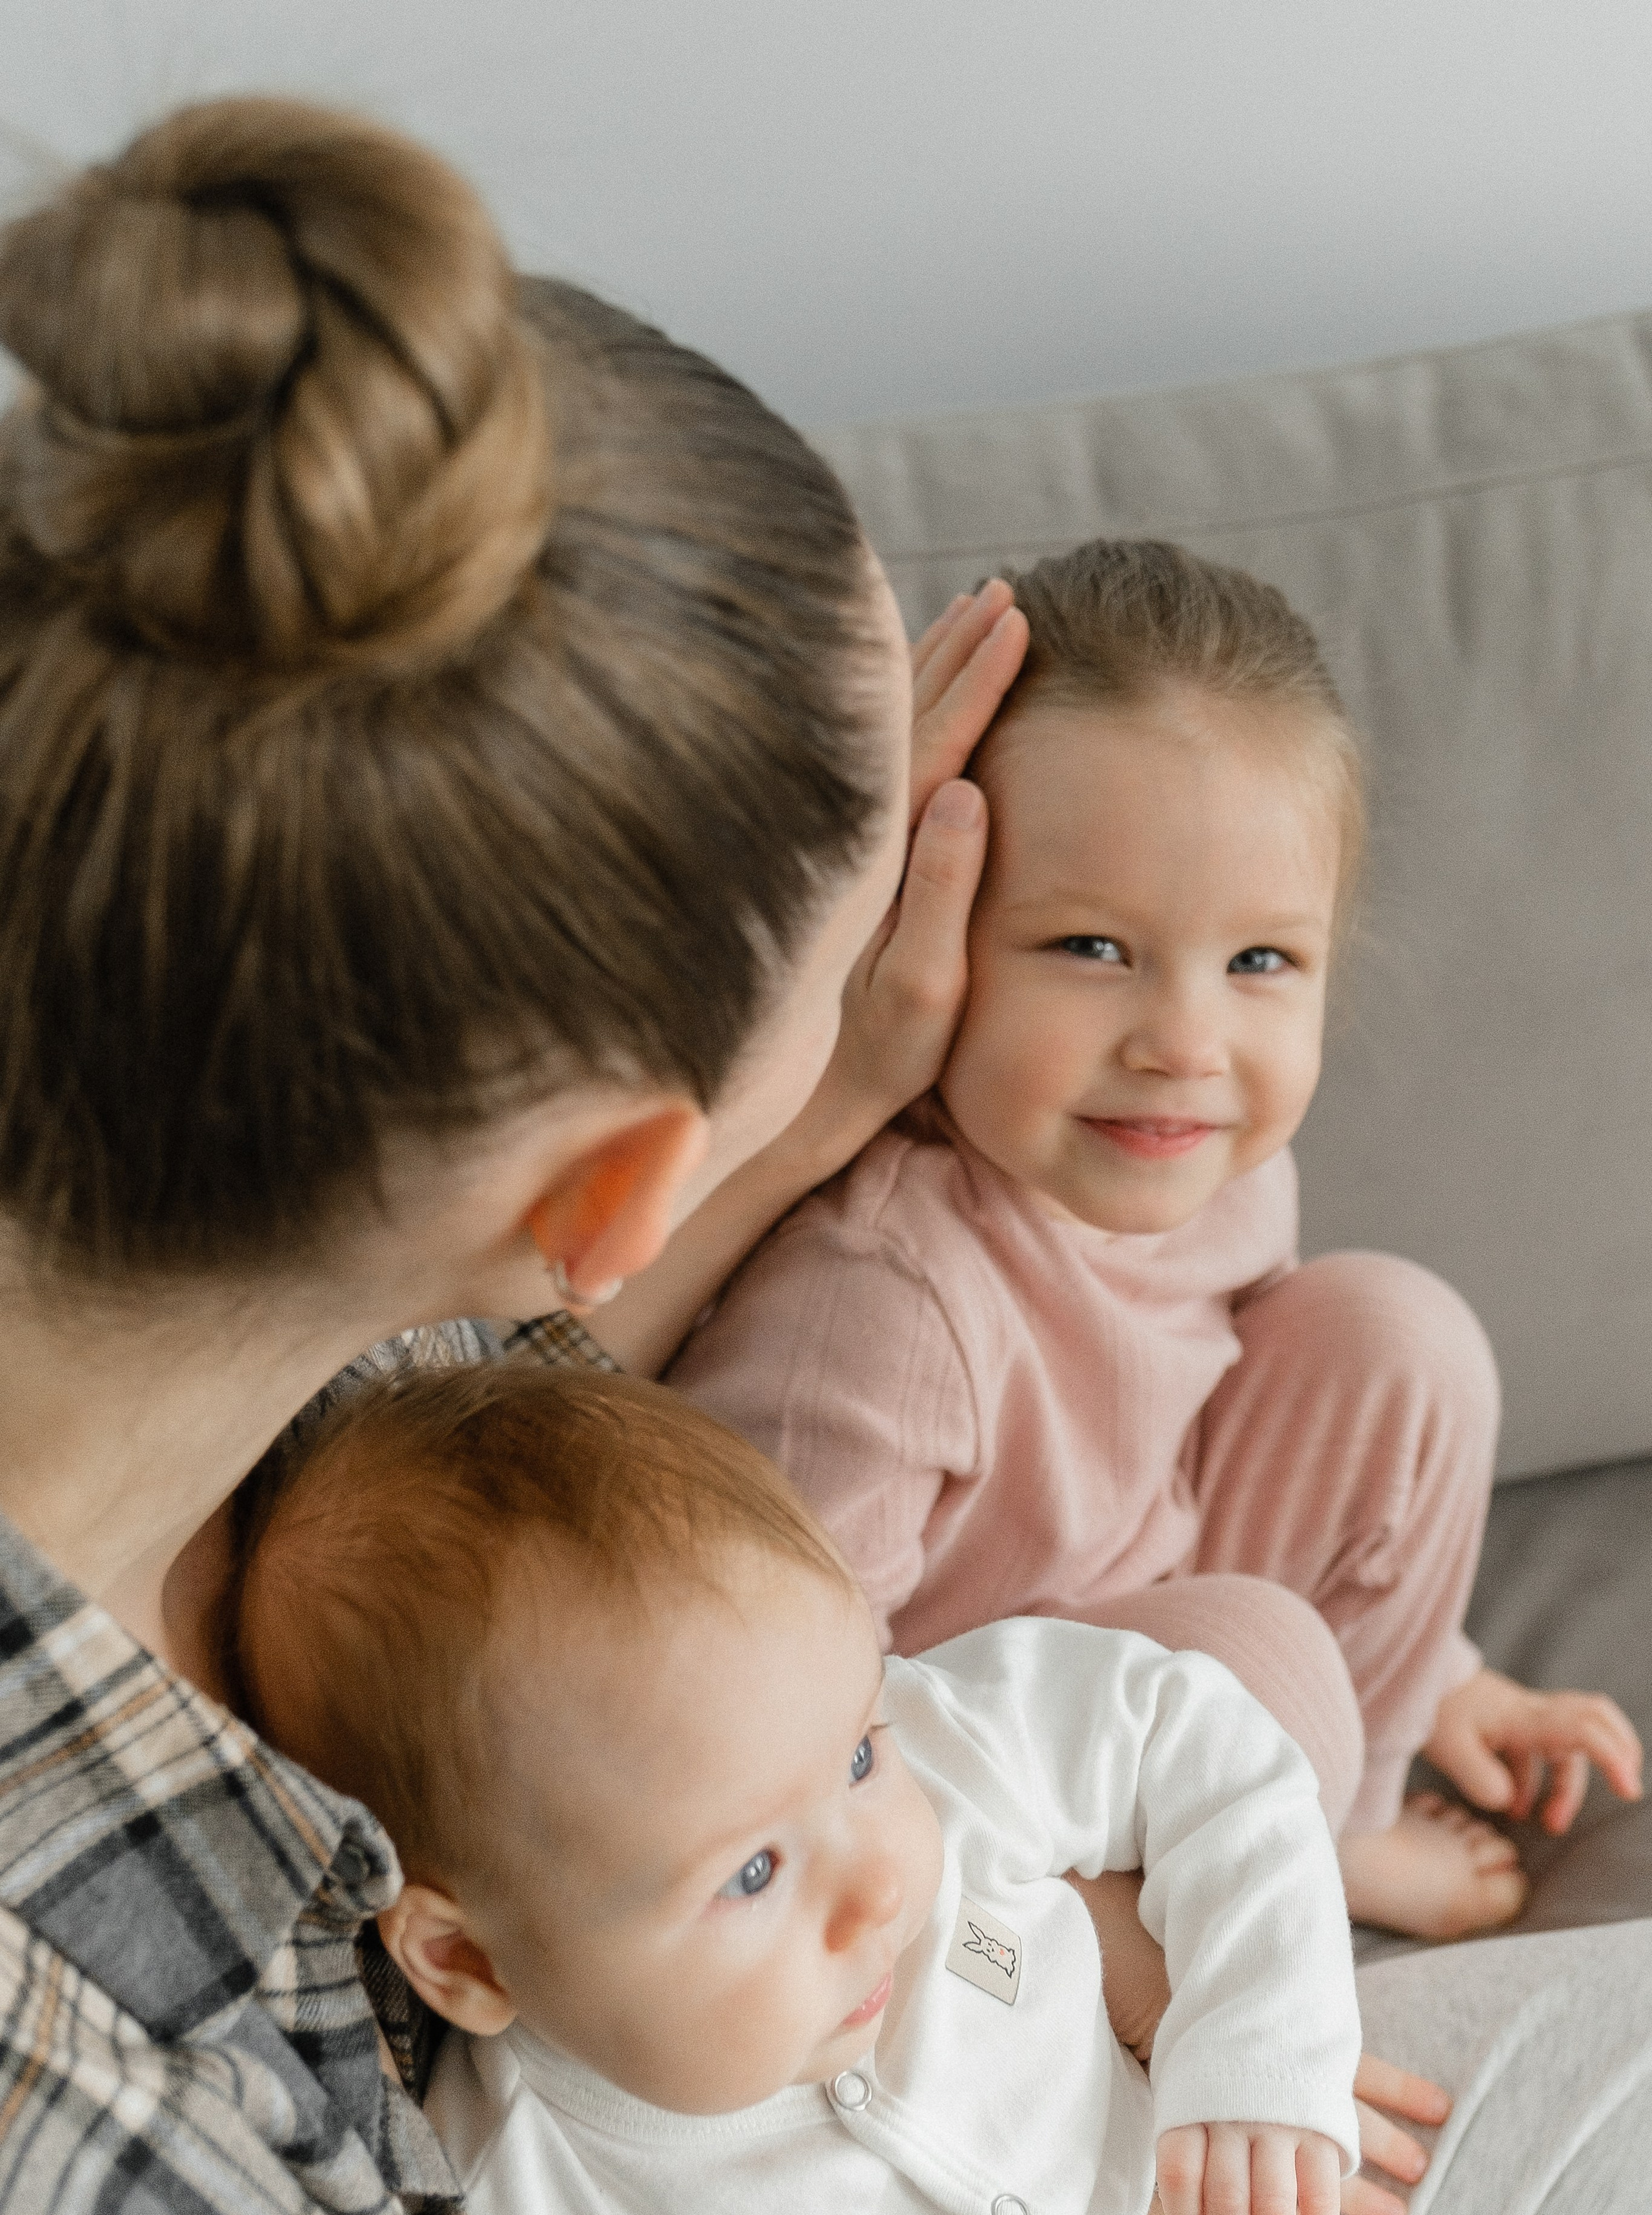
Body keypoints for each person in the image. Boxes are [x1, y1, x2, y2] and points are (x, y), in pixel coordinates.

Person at [0, 89, 1643, 2215]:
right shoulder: (116, 2199)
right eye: (918, 899)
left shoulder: (304, 1280)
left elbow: (557, 1420)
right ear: (629, 1183)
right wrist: (1120, 2155)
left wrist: (855, 1054)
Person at [667, 539, 1643, 1942]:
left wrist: (1443, 1683)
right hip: (942, 1768)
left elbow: (1214, 1457)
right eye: (1089, 949)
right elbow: (761, 1715)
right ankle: (1235, 1905)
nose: (1184, 1046)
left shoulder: (1217, 1180)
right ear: (929, 939)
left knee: (1394, 1334)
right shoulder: (888, 1294)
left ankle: (1335, 1823)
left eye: (1258, 963)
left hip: (1138, 1630)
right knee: (1255, 1653)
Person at [231, 1358, 1415, 2215]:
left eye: (858, 1755)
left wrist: (1259, 2043)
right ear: (468, 1959)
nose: (879, 1887)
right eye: (751, 1875)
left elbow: (1200, 1743)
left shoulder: (940, 1748)